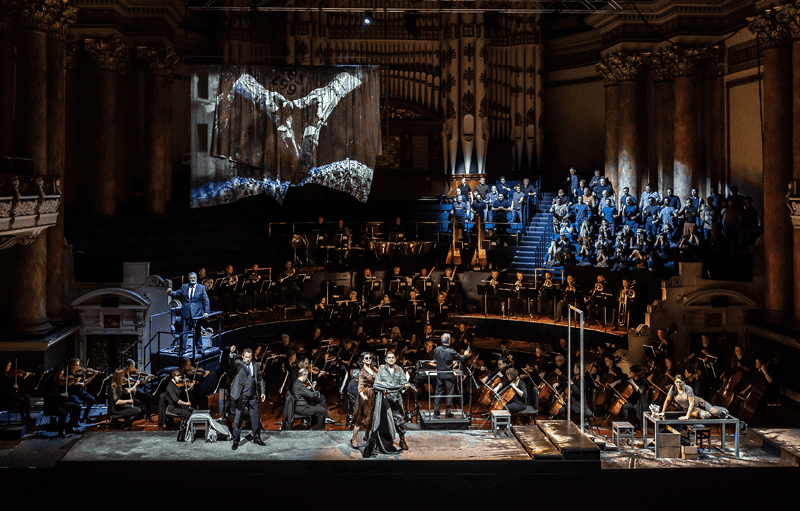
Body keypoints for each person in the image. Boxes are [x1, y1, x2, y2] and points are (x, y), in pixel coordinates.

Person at [229, 348, 266, 449]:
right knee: (238, 419)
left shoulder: (255, 365)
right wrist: (232, 353)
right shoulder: (238, 364)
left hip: (253, 396)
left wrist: (262, 392)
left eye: (250, 357)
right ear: (243, 356)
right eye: (246, 357)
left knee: (255, 418)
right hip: (241, 396)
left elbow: (260, 380)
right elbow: (232, 362)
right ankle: (236, 440)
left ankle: (257, 438)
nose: (248, 359)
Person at [374, 351, 410, 450]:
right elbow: (376, 383)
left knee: (399, 420)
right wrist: (387, 387)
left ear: (395, 359)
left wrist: (405, 386)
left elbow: (403, 382)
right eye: (389, 357)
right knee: (384, 421)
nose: (391, 359)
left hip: (396, 398)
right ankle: (384, 442)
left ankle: (402, 440)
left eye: (392, 357)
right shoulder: (381, 369)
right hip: (384, 398)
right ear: (385, 359)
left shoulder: (399, 369)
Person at [167, 272, 210, 352]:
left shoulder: (201, 287)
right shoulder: (184, 286)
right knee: (185, 331)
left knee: (197, 330)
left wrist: (206, 312)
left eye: (194, 278)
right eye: (191, 278)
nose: (192, 279)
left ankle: (199, 347)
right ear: (189, 279)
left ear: (196, 278)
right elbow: (177, 292)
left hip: (197, 313)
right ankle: (183, 348)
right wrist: (171, 292)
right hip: (186, 312)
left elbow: (206, 300)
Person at [661, 374, 730, 420]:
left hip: (699, 402)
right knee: (706, 416)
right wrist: (663, 412)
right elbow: (667, 401)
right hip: (692, 409)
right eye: (677, 382)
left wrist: (687, 416)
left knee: (715, 412)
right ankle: (713, 412)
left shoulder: (688, 388)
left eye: (680, 382)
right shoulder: (673, 389)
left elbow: (691, 403)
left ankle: (719, 409)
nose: (678, 384)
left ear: (684, 382)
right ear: (674, 382)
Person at [432, 333, 469, 418]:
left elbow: (435, 358)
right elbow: (461, 358)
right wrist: (466, 355)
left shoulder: (437, 349)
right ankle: (448, 413)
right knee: (449, 394)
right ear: (449, 341)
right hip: (448, 376)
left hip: (440, 375)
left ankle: (436, 412)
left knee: (438, 394)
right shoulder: (451, 351)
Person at [43, 367, 81, 437]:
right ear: (56, 374)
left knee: (77, 407)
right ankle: (61, 432)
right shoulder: (48, 383)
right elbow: (50, 396)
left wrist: (68, 385)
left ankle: (69, 428)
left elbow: (63, 391)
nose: (62, 376)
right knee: (64, 413)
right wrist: (61, 395)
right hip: (52, 405)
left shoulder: (58, 382)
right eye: (61, 374)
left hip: (60, 403)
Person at [351, 352, 378, 448]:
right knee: (360, 418)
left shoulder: (374, 369)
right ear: (362, 360)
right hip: (365, 396)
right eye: (366, 358)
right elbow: (360, 385)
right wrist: (362, 395)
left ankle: (366, 437)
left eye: (370, 357)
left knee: (371, 418)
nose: (369, 359)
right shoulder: (362, 372)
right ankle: (354, 439)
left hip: (373, 395)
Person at [1, 359, 35, 427]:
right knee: (21, 400)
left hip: (11, 393)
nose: (10, 368)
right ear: (4, 366)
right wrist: (13, 386)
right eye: (8, 366)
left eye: (10, 366)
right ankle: (23, 419)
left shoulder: (9, 375)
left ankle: (28, 416)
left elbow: (12, 381)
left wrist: (24, 376)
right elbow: (4, 387)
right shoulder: (2, 376)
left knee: (27, 396)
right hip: (5, 395)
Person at [67, 358, 98, 423]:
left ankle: (85, 417)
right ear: (72, 365)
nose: (79, 367)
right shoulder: (68, 373)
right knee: (77, 403)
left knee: (91, 399)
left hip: (79, 391)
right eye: (77, 365)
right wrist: (78, 382)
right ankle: (74, 421)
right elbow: (70, 383)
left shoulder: (79, 373)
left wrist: (93, 376)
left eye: (79, 365)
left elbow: (85, 383)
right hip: (72, 392)